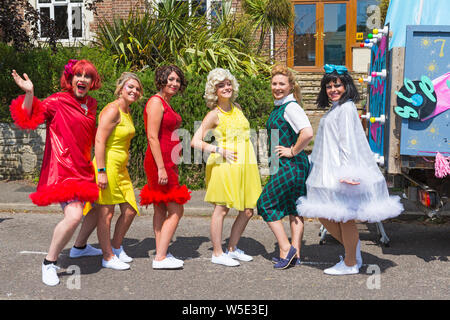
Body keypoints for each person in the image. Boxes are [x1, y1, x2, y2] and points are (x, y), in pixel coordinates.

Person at [296, 64, 403, 275]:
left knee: (344, 217)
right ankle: (352, 251)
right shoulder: (337, 108)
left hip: (340, 171)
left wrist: (347, 174)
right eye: (328, 86)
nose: (333, 89)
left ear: (346, 86)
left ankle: (350, 262)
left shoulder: (346, 108)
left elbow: (348, 143)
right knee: (326, 214)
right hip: (328, 170)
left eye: (337, 85)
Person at [10, 59, 103, 286]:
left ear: (92, 82)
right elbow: (28, 117)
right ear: (70, 80)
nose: (82, 79)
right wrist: (30, 93)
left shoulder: (91, 104)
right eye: (78, 75)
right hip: (63, 171)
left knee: (100, 208)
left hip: (83, 170)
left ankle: (79, 247)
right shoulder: (58, 101)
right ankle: (49, 263)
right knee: (73, 216)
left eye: (87, 76)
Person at [191, 68, 262, 267]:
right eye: (221, 85)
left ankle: (232, 248)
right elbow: (195, 141)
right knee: (222, 208)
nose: (226, 87)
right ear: (214, 91)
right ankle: (217, 252)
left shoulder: (237, 107)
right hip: (224, 165)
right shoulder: (213, 115)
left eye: (228, 83)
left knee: (248, 210)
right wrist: (218, 150)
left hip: (245, 165)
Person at [77, 72, 144, 271]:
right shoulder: (112, 110)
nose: (134, 91)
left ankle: (111, 247)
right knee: (106, 213)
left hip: (120, 168)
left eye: (138, 89)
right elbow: (99, 141)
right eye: (130, 87)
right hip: (107, 165)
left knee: (130, 209)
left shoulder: (126, 110)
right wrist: (102, 171)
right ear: (120, 88)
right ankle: (108, 256)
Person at [256, 64, 313, 270]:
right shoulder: (281, 106)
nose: (277, 87)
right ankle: (295, 253)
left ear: (290, 86)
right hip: (289, 166)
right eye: (274, 83)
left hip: (291, 164)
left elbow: (307, 133)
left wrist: (292, 150)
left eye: (282, 84)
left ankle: (285, 248)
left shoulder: (291, 107)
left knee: (265, 204)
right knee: (294, 208)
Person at [140, 65, 191, 269]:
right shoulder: (155, 102)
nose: (174, 83)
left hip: (168, 161)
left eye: (177, 80)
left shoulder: (166, 103)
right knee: (176, 209)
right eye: (170, 79)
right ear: (161, 80)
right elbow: (152, 136)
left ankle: (162, 252)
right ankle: (160, 257)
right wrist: (161, 167)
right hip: (160, 161)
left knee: (161, 208)